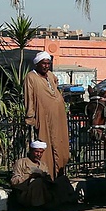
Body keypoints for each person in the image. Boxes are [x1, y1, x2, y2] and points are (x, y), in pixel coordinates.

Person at [24, 51, 70, 180]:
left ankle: (60, 173)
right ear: (37, 64)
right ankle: (47, 174)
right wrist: (30, 116)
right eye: (43, 64)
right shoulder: (31, 77)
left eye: (48, 63)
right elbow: (29, 97)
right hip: (44, 117)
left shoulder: (50, 75)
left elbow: (55, 84)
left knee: (61, 145)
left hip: (58, 118)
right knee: (46, 145)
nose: (46, 66)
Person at [10, 140, 75, 209]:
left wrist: (45, 177)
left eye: (41, 152)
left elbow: (49, 181)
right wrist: (29, 176)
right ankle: (38, 206)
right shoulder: (21, 162)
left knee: (63, 179)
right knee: (38, 182)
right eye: (36, 152)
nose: (39, 154)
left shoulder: (43, 165)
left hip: (45, 191)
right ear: (31, 151)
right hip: (27, 194)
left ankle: (69, 201)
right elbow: (14, 181)